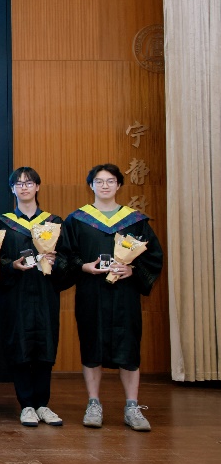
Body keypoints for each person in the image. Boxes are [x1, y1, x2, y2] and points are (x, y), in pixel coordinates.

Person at [62, 163, 163, 432]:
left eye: (110, 181)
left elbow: (153, 256)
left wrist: (132, 270)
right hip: (91, 293)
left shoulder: (135, 221)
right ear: (91, 185)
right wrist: (83, 266)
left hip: (125, 295)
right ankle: (93, 403)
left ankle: (132, 406)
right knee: (91, 345)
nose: (104, 185)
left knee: (129, 348)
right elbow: (65, 255)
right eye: (99, 181)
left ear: (118, 185)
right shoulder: (77, 220)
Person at [0, 167, 71, 428]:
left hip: (45, 293)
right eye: (18, 183)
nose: (24, 187)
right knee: (20, 348)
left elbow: (68, 259)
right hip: (15, 294)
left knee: (44, 347)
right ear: (12, 189)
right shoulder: (2, 224)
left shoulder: (54, 223)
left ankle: (43, 404)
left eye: (29, 183)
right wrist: (11, 266)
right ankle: (26, 404)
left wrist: (55, 261)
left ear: (37, 187)